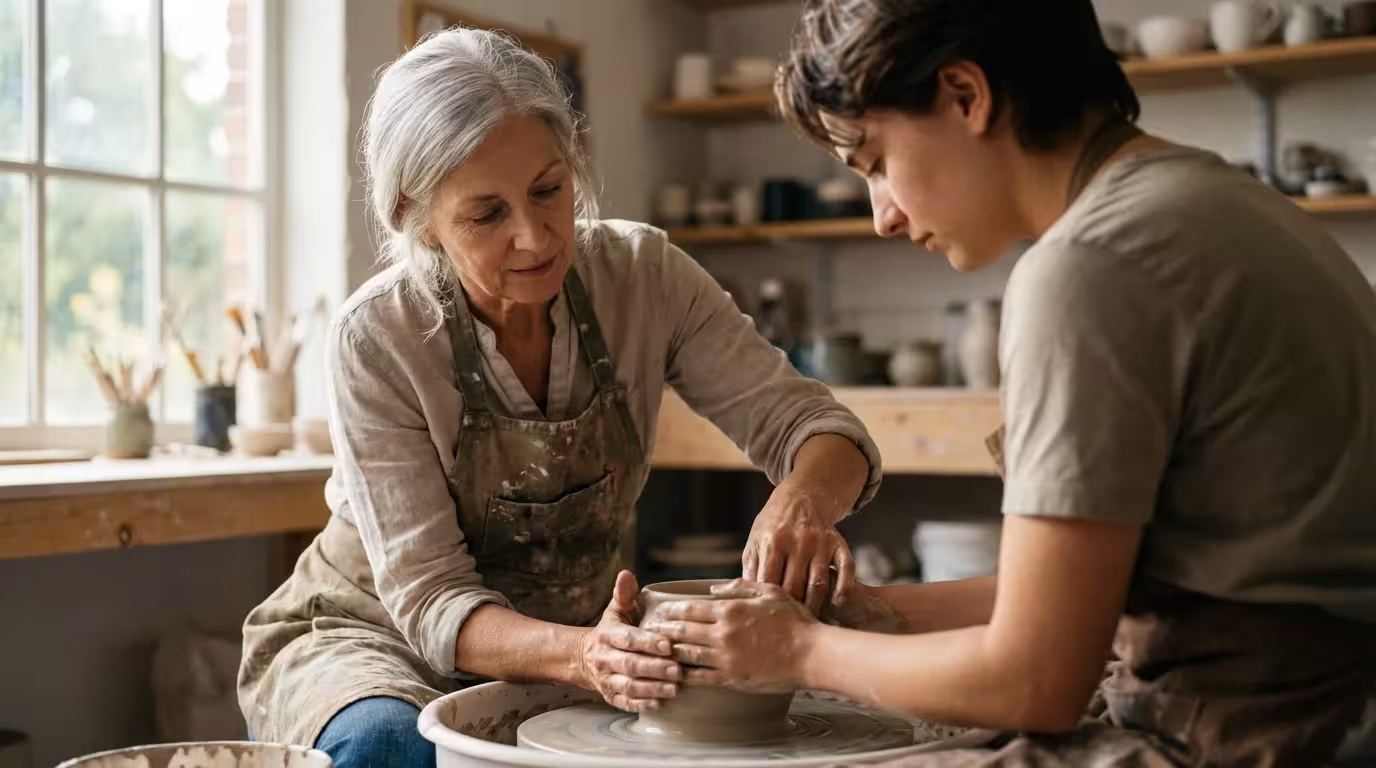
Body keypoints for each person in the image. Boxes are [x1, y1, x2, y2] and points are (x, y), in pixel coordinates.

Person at [645, 0, 1376, 765]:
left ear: (968, 96)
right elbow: (1086, 590)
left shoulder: (1092, 266)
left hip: (1257, 730)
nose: (882, 217)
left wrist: (798, 654)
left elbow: (1035, 679)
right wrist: (868, 617)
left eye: (877, 164)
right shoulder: (1211, 200)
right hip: (1321, 696)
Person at [237, 28, 882, 767]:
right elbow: (432, 599)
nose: (535, 237)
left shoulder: (644, 276)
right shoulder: (378, 337)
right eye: (487, 214)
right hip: (373, 638)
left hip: (579, 642)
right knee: (392, 747)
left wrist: (800, 499)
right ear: (415, 217)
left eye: (549, 190)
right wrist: (587, 658)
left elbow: (816, 425)